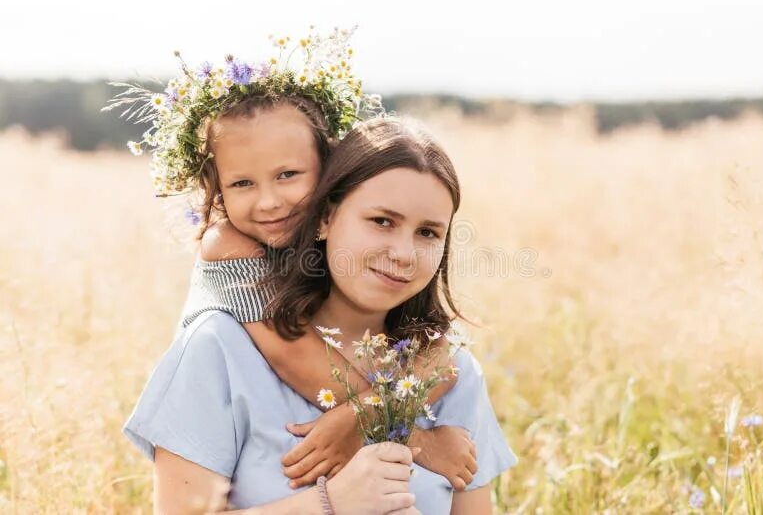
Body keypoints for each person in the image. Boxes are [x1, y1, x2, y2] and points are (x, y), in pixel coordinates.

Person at [123, 117, 517, 512]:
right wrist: (334, 502)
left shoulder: (452, 374)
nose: (403, 253)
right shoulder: (218, 348)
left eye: (428, 232)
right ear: (325, 217)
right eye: (382, 221)